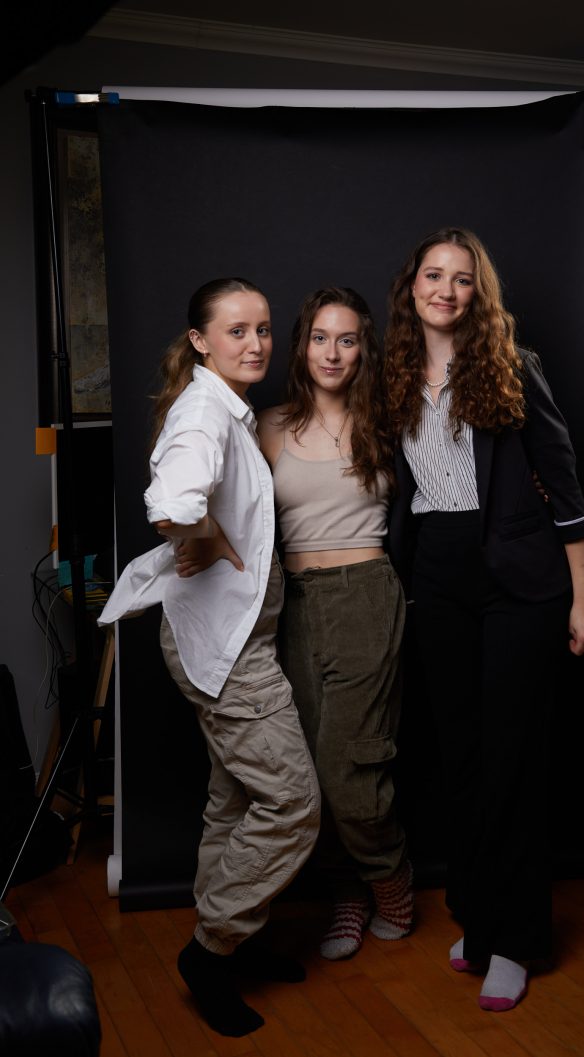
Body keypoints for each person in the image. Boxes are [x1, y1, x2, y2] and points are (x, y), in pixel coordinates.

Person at [384, 228, 584, 1012]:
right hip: (437, 575)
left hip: (518, 577)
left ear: (478, 292)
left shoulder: (512, 364)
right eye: (433, 275)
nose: (445, 289)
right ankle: (478, 919)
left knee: (512, 761)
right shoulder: (392, 371)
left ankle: (517, 938)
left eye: (462, 278)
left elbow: (564, 484)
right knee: (461, 759)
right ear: (411, 285)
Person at [98, 277, 320, 1037]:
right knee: (291, 805)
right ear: (200, 340)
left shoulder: (225, 408)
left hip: (235, 641)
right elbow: (170, 506)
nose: (256, 344)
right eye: (236, 331)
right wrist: (203, 535)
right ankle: (211, 948)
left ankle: (236, 941)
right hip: (228, 654)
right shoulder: (203, 413)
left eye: (263, 329)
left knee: (234, 799)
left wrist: (213, 536)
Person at [257, 286, 413, 960]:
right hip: (292, 603)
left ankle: (390, 879)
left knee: (351, 764)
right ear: (301, 346)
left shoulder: (389, 421)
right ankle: (345, 894)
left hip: (365, 597)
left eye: (346, 340)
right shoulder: (268, 427)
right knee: (306, 772)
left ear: (362, 350)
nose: (331, 352)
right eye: (320, 337)